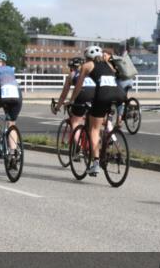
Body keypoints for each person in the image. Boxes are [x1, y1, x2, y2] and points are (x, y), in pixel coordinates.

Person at [69, 45, 125, 176]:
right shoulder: (108, 65)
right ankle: (109, 141)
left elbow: (78, 86)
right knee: (103, 122)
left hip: (103, 96)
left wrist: (72, 100)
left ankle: (96, 164)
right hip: (118, 94)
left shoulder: (87, 65)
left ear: (87, 57)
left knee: (94, 129)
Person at [52, 56, 86, 136]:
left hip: (82, 95)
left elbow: (63, 96)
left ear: (72, 68)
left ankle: (79, 145)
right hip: (94, 96)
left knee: (75, 122)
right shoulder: (90, 74)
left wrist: (57, 108)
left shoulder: (72, 75)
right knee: (93, 125)